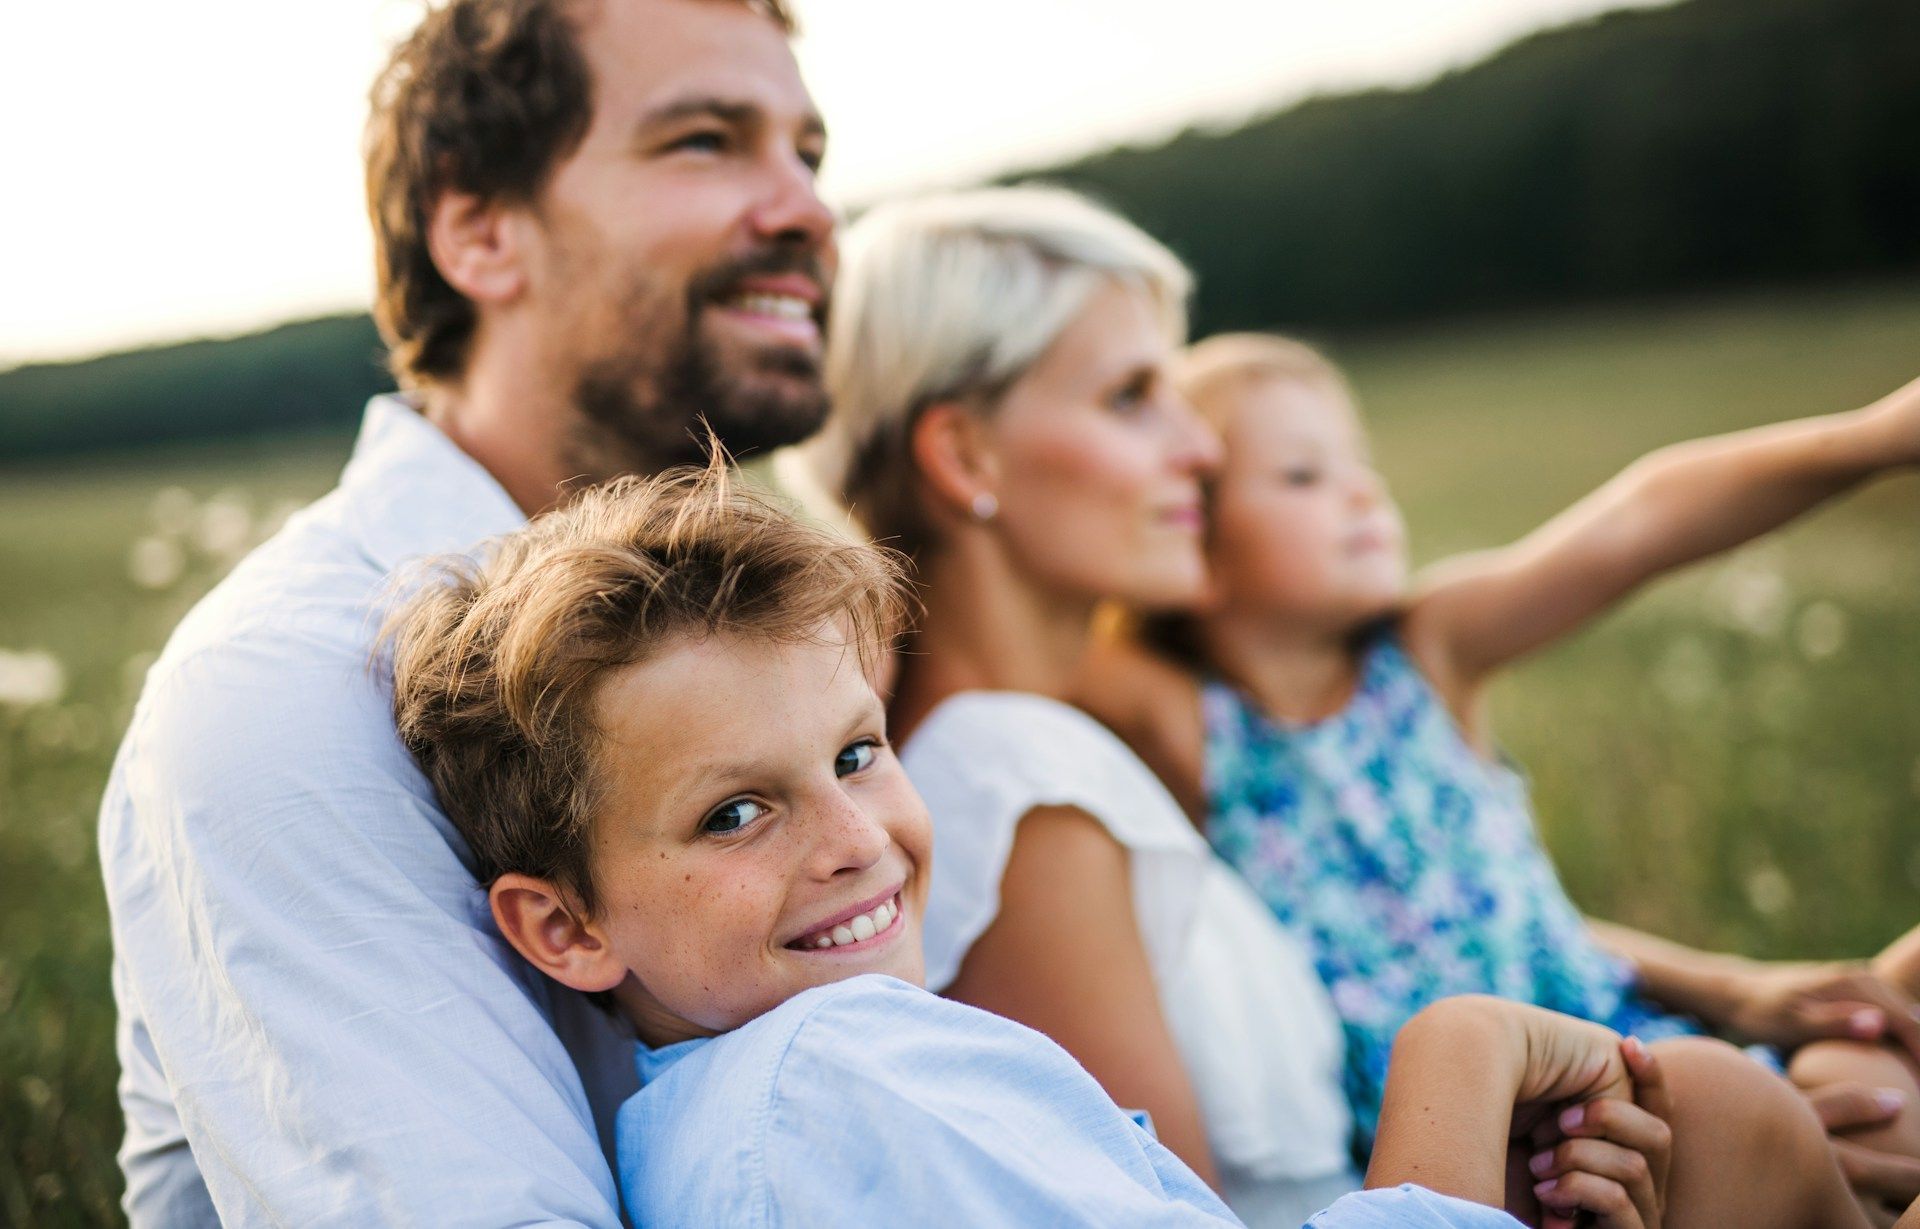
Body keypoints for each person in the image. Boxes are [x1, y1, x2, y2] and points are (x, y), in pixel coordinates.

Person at [800, 184, 1871, 1228]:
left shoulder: (1077, 745)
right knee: (1736, 1108)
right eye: (1133, 396)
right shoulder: (1013, 779)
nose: (1202, 447)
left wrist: (1717, 1006)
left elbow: (1426, 901)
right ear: (963, 453)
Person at [379, 461, 1787, 1229]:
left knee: (1723, 1113)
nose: (856, 839)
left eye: (859, 753)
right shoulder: (849, 1081)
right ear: (564, 927)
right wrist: (1459, 1056)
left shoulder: (749, 1103)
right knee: (1733, 1117)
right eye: (736, 812)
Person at [96, 0, 832, 1223]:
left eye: (807, 155)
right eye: (705, 139)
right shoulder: (299, 687)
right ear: (481, 228)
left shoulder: (776, 624)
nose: (805, 207)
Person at [1074, 331, 1920, 1219]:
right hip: (1515, 1147)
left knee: (1868, 1051)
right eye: (1302, 476)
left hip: (1636, 1045)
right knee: (1762, 1111)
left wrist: (1876, 436)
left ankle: (1807, 1170)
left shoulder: (1427, 650)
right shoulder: (1186, 721)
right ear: (1188, 529)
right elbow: (1009, 619)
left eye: (1360, 464)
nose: (1364, 491)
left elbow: (1635, 525)